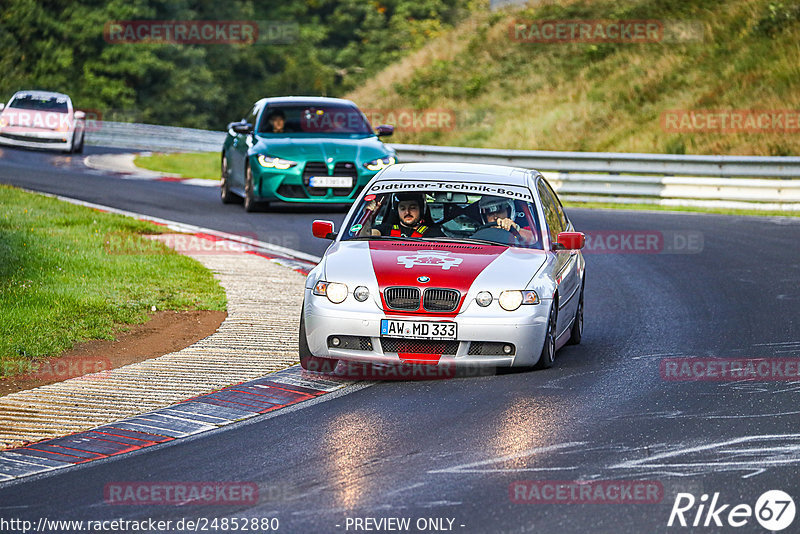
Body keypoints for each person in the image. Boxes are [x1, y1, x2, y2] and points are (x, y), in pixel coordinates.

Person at [359, 192, 444, 238]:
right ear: (397, 211)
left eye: (412, 208)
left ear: (421, 210)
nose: (407, 212)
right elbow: (363, 237)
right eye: (402, 209)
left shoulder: (434, 233)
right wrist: (368, 215)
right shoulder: (385, 229)